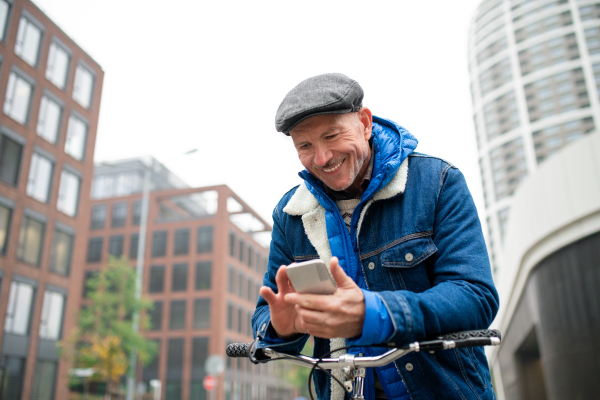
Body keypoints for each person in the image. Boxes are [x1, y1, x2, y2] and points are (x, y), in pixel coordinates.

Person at [252, 73, 499, 400]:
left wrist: (374, 312)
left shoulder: (438, 182)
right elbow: (265, 316)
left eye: (331, 135)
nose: (322, 157)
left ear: (365, 123)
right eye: (305, 146)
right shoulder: (290, 214)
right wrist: (283, 327)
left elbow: (475, 295)